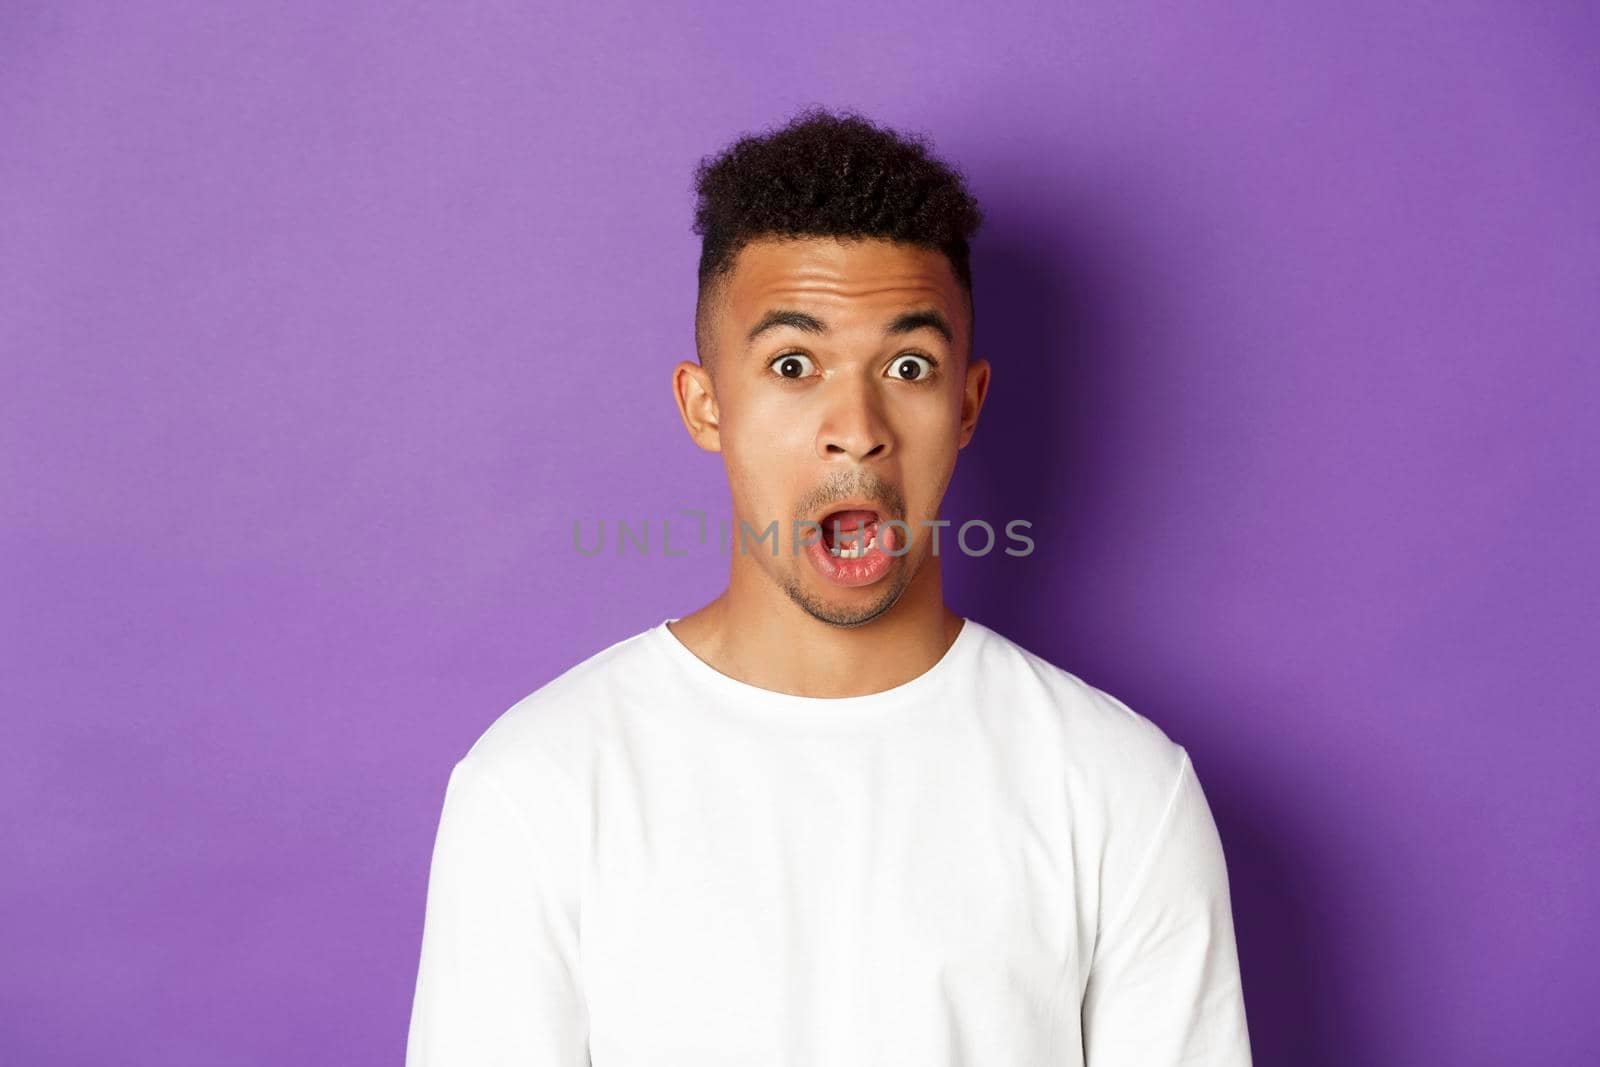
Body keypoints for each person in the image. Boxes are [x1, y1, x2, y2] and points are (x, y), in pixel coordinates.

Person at [405, 106, 1253, 1066]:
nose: (857, 425)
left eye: (907, 365)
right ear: (706, 404)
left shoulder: (1121, 793)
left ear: (966, 405)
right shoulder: (539, 785)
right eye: (794, 364)